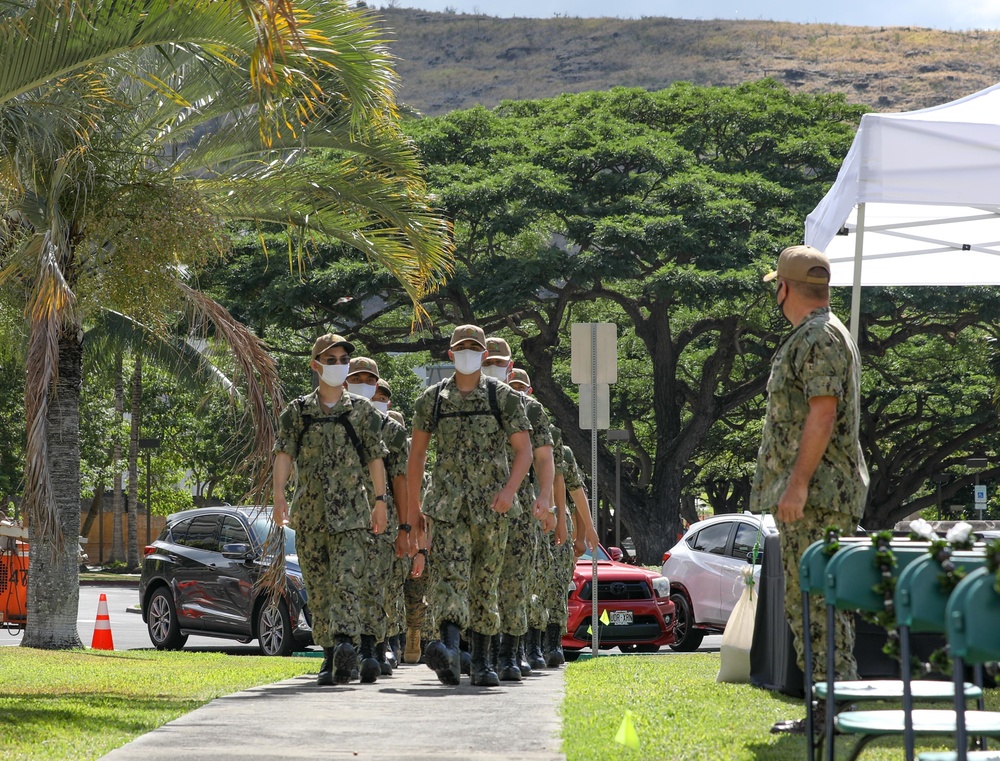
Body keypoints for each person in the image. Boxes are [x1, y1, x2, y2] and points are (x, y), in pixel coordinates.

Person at [751, 246, 869, 733]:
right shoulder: (821, 333)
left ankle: (830, 709)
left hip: (817, 495)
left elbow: (822, 412)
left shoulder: (818, 337)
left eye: (773, 286)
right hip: (822, 494)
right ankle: (832, 704)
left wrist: (796, 485)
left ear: (784, 288)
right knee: (821, 600)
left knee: (815, 602)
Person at [407, 324, 534, 687]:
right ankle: (447, 649)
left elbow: (523, 450)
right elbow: (416, 456)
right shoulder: (431, 399)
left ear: (482, 354)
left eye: (473, 348)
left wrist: (510, 491)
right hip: (447, 508)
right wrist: (414, 508)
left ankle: (481, 660)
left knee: (485, 583)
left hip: (492, 508)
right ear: (450, 355)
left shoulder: (502, 397)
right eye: (460, 348)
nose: (467, 353)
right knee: (449, 579)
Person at [272, 334, 389, 686]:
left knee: (347, 584)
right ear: (316, 364)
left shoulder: (363, 412)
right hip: (310, 514)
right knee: (320, 587)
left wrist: (380, 502)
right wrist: (278, 495)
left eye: (343, 359)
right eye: (331, 358)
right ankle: (328, 655)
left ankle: (344, 648)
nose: (338, 364)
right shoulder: (298, 411)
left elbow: (375, 458)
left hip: (353, 515)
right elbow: (283, 454)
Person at [483, 339, 554, 681]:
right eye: (489, 360)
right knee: (481, 580)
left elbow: (543, 456)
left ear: (510, 366)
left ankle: (511, 653)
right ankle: (483, 652)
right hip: (480, 505)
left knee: (515, 581)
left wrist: (545, 497)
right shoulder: (465, 403)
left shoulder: (531, 409)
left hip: (521, 508)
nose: (494, 366)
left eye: (500, 361)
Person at [346, 358, 407, 679]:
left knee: (380, 586)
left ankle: (378, 644)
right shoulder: (335, 419)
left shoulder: (392, 432)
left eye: (370, 381)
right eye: (357, 378)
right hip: (347, 517)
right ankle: (353, 648)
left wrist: (408, 525)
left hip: (385, 518)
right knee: (349, 584)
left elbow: (403, 480)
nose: (366, 387)